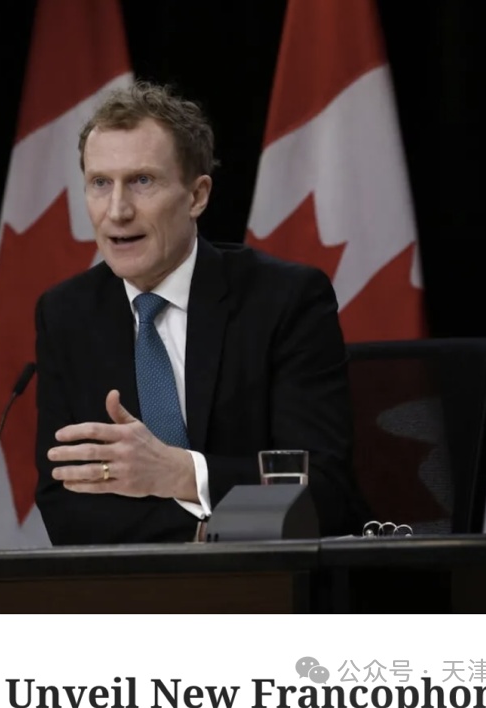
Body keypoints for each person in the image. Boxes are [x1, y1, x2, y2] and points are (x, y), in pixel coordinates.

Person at [34, 81, 367, 545]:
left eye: (142, 181)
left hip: (270, 582)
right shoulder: (67, 315)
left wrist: (182, 472)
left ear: (197, 196)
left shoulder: (284, 301)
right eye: (100, 183)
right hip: (132, 587)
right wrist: (202, 535)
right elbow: (65, 503)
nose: (117, 210)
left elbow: (321, 488)